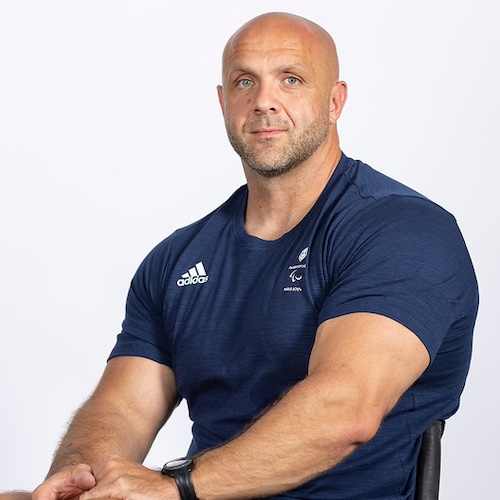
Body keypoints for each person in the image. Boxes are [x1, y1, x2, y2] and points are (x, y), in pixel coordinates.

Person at [3, 11, 478, 500]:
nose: (263, 101)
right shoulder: (177, 258)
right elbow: (121, 407)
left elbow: (345, 409)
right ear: (223, 100)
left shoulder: (403, 231)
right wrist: (74, 479)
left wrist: (177, 487)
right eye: (244, 82)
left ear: (334, 101)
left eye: (290, 79)